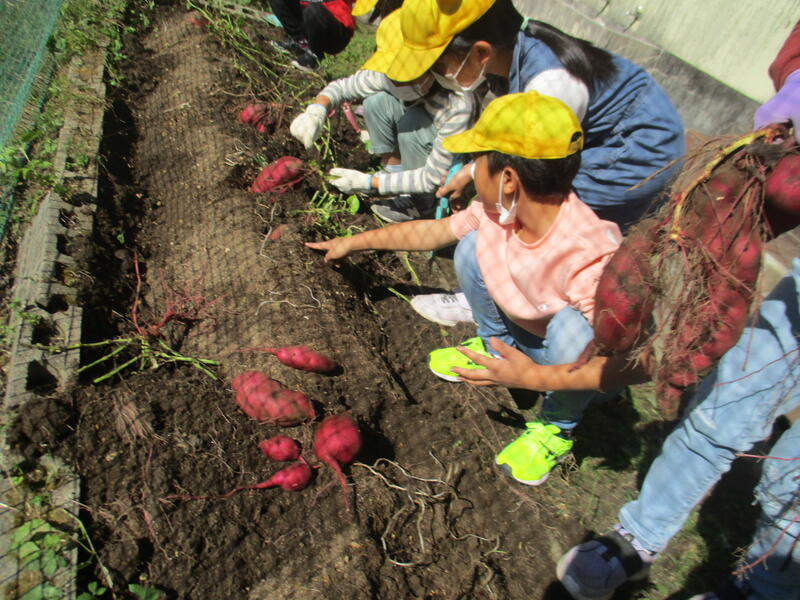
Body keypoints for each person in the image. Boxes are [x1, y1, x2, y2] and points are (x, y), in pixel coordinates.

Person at [458, 21, 800, 600]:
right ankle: (637, 540)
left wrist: (538, 377)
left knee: (789, 468)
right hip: (772, 174)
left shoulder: (582, 232)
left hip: (583, 343)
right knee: (722, 408)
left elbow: (644, 358)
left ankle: (768, 587)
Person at [307, 91, 623, 486]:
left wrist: (533, 379)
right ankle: (495, 347)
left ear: (508, 179)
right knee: (471, 246)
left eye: (478, 161)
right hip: (527, 333)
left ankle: (555, 427)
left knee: (575, 328)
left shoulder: (591, 255)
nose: (471, 170)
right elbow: (433, 232)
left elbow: (629, 365)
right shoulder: (501, 210)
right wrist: (353, 243)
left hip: (572, 365)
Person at [364, 0, 685, 325]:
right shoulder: (514, 54)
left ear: (480, 52)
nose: (437, 75)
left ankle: (509, 311)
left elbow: (526, 168)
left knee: (537, 218)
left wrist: (484, 191)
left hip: (634, 152)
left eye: (439, 65)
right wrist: (473, 171)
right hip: (606, 139)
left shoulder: (550, 86)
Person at [289, 9, 478, 222]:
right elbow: (341, 87)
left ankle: (421, 204)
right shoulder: (389, 73)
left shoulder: (457, 103)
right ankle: (393, 173)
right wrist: (316, 111)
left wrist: (370, 183)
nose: (394, 81)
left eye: (403, 77)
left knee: (413, 124)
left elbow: (431, 177)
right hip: (421, 128)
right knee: (377, 102)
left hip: (443, 162)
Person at [269, 0, 356, 71]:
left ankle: (315, 54)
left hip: (336, 29)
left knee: (313, 9)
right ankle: (300, 42)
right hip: (307, 20)